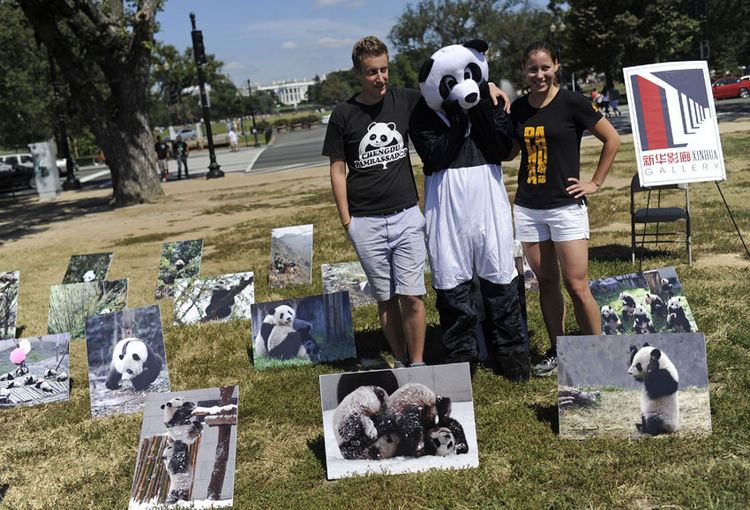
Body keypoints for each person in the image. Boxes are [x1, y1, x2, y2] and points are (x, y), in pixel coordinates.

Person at [509, 41, 620, 376]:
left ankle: (597, 353)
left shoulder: (573, 102)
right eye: (532, 69)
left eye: (545, 67)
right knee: (545, 282)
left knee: (577, 284)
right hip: (528, 208)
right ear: (524, 72)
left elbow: (612, 139)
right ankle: (560, 352)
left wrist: (595, 183)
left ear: (556, 66)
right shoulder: (518, 108)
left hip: (565, 207)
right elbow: (511, 152)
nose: (539, 75)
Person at [321, 36, 427, 368]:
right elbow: (338, 169)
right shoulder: (343, 114)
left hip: (407, 214)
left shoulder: (405, 100)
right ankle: (399, 359)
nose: (379, 78)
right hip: (365, 221)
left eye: (384, 70)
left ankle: (420, 362)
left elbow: (445, 93)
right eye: (371, 72)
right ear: (357, 73)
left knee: (412, 294)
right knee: (386, 297)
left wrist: (491, 86)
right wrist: (347, 221)